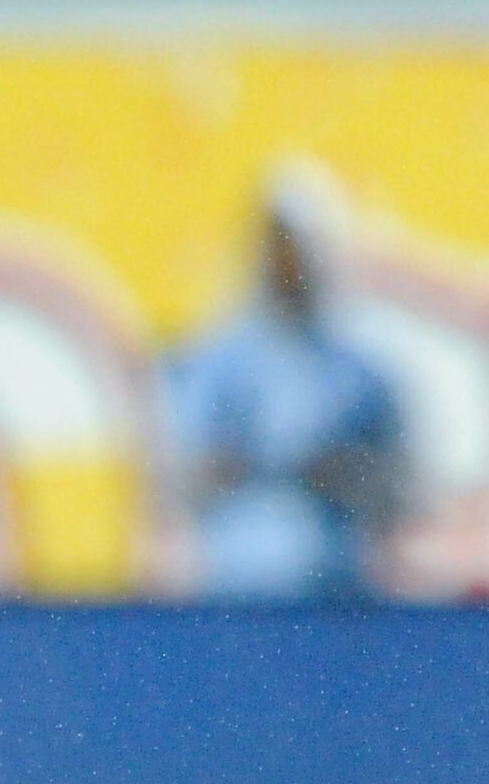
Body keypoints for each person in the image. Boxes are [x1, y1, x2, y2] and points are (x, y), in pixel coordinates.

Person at [173, 165, 407, 600]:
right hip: (235, 590)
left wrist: (343, 475)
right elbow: (180, 482)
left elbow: (399, 488)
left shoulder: (363, 375)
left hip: (339, 594)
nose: (287, 266)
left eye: (296, 250)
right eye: (278, 250)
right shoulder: (216, 367)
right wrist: (239, 471)